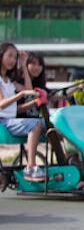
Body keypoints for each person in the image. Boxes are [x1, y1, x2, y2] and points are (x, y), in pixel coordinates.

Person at [0, 43, 45, 181]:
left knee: (49, 123)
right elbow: (1, 104)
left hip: (11, 121)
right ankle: (30, 167)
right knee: (35, 124)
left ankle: (69, 162)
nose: (13, 60)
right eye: (10, 56)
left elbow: (28, 90)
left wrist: (24, 65)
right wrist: (21, 95)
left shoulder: (9, 81)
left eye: (15, 57)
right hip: (4, 122)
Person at [19, 51, 46, 118]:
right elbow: (29, 92)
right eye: (33, 64)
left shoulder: (39, 84)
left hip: (35, 120)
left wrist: (75, 87)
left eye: (40, 64)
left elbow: (58, 94)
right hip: (21, 122)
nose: (37, 67)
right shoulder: (16, 83)